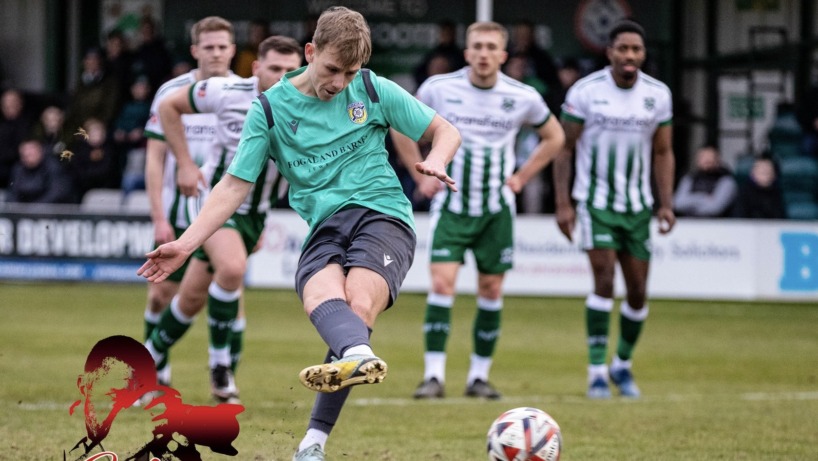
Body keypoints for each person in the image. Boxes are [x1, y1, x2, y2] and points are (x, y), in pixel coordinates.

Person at [137, 7, 461, 461]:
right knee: (318, 300)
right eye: (331, 69)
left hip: (381, 214)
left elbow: (443, 130)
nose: (339, 83)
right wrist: (186, 244)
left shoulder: (371, 88)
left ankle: (321, 424)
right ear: (310, 53)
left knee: (358, 305)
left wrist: (439, 158)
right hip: (324, 226)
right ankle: (324, 418)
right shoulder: (268, 109)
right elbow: (232, 186)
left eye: (349, 72)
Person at [392, 21, 565, 400]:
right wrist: (418, 174)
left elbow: (555, 137)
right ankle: (433, 376)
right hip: (451, 206)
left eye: (491, 47)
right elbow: (400, 126)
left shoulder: (522, 96)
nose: (484, 53)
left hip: (495, 211)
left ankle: (478, 377)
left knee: (490, 289)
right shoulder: (440, 88)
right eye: (477, 46)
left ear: (503, 55)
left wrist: (522, 176)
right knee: (441, 285)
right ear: (466, 52)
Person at [145, 35, 302, 405]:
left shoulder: (307, 106)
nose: (282, 76)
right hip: (215, 204)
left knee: (191, 299)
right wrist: (184, 162)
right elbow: (169, 107)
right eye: (275, 68)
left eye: (291, 71)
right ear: (256, 68)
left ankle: (148, 360)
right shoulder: (225, 90)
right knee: (232, 270)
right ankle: (220, 367)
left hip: (255, 216)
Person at [552, 19, 676, 399]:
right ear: (610, 52)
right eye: (623, 48)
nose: (630, 56)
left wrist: (666, 203)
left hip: (637, 208)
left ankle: (621, 364)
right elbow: (565, 147)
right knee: (604, 281)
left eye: (636, 50)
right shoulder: (586, 92)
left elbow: (662, 151)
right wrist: (563, 204)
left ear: (642, 54)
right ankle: (596, 372)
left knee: (638, 291)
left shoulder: (658, 95)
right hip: (596, 204)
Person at [140, 16, 237, 393]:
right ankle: (155, 370)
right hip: (178, 211)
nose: (215, 53)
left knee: (229, 285)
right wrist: (159, 217)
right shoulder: (171, 93)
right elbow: (154, 158)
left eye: (222, 46)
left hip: (223, 215)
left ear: (232, 50)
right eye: (208, 47)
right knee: (162, 292)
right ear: (195, 50)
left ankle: (223, 375)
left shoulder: (245, 94)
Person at [113, 75, 152, 196]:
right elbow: (117, 125)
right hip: (123, 149)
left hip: (141, 151)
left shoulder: (152, 106)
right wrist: (119, 132)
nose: (140, 90)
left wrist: (142, 132)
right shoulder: (126, 106)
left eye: (143, 87)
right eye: (137, 87)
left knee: (130, 181)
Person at [673, 145, 738, 217]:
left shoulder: (726, 181)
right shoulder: (689, 179)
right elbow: (677, 204)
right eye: (703, 157)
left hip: (717, 225)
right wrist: (704, 197)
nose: (707, 161)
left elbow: (715, 208)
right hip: (689, 224)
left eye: (710, 158)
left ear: (717, 160)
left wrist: (690, 201)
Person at [7, 138, 72, 204]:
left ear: (39, 152)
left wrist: (36, 208)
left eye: (30, 154)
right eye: (24, 155)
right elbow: (13, 193)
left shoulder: (52, 166)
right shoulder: (18, 169)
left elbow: (56, 192)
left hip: (47, 209)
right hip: (23, 209)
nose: (27, 157)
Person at [412, 19, 466, 88]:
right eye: (444, 32)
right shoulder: (433, 54)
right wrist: (431, 82)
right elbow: (418, 73)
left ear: (454, 34)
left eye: (448, 33)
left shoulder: (459, 56)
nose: (446, 36)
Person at [0, 88, 31, 188]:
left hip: (19, 169)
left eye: (13, 102)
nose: (9, 106)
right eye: (5, 103)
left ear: (20, 104)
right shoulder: (2, 124)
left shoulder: (28, 125)